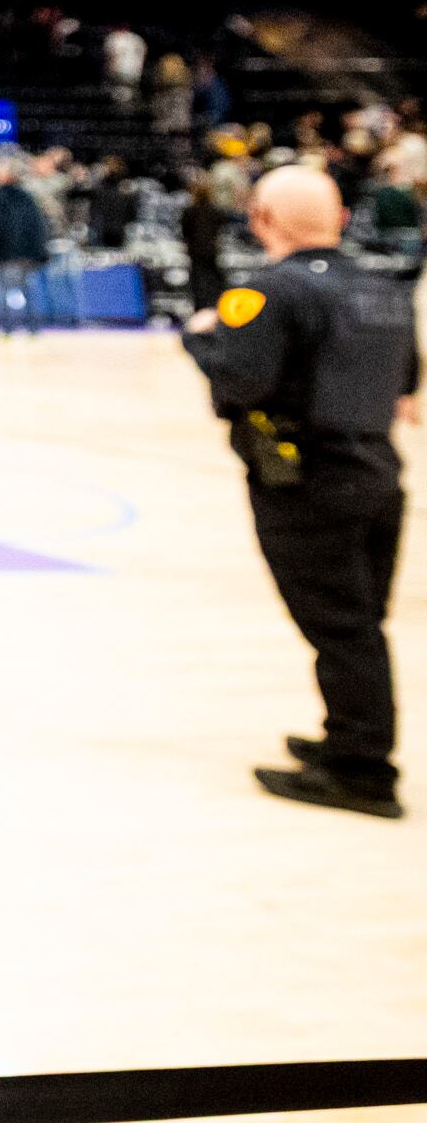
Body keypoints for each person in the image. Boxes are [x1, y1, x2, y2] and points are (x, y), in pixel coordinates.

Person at [182, 166, 417, 819]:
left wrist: (201, 340)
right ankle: (350, 739)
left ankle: (363, 771)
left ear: (264, 219)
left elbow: (241, 385)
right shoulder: (384, 288)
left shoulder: (269, 293)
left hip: (307, 483)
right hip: (377, 476)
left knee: (342, 631)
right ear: (339, 219)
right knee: (357, 625)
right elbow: (406, 382)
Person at [0, 156, 53, 334]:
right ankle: (33, 329)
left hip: (6, 254)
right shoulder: (28, 197)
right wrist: (39, 252)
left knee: (4, 291)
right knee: (29, 291)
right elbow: (39, 225)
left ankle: (6, 330)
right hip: (28, 255)